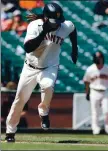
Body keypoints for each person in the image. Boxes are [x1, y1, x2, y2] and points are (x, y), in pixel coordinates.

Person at [5, 2, 78, 142]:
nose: (56, 24)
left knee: (48, 85)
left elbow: (73, 29)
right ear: (45, 18)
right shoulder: (34, 26)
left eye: (58, 21)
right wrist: (44, 32)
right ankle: (10, 132)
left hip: (50, 66)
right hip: (30, 68)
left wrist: (75, 49)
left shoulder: (64, 26)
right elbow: (27, 48)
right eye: (53, 21)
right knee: (20, 100)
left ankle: (44, 112)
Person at [83, 51, 108, 135]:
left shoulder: (107, 68)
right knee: (95, 112)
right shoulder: (90, 69)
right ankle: (95, 129)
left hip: (105, 91)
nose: (98, 59)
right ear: (94, 58)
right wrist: (87, 93)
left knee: (106, 111)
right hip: (94, 91)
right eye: (97, 57)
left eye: (100, 57)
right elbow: (86, 81)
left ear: (103, 58)